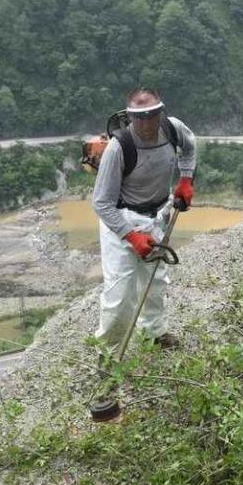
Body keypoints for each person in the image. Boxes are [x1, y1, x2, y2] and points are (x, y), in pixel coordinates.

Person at [91, 87, 195, 351]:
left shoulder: (173, 129)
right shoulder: (119, 148)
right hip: (121, 221)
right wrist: (131, 235)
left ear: (161, 112)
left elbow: (190, 146)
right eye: (140, 116)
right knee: (119, 295)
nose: (147, 122)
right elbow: (101, 203)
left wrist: (185, 179)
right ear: (130, 117)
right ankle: (109, 352)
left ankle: (153, 333)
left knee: (155, 282)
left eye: (152, 114)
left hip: (157, 215)